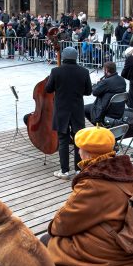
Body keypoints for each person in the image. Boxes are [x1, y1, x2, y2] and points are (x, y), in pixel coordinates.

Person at [41, 126, 133, 266]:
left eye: (80, 149)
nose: (78, 152)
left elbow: (61, 225)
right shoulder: (128, 171)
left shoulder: (92, 183)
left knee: (46, 240)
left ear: (87, 154)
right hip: (130, 238)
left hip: (112, 249)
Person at [45, 46, 92, 179]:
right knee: (78, 140)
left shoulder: (56, 71)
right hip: (77, 110)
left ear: (64, 57)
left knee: (63, 141)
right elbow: (88, 91)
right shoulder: (84, 71)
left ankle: (64, 171)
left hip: (61, 111)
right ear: (76, 57)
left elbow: (48, 89)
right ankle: (78, 170)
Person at [84, 61, 126, 125]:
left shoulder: (106, 82)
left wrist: (98, 83)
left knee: (83, 108)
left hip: (105, 110)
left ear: (106, 70)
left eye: (103, 69)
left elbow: (95, 92)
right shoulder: (122, 80)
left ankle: (95, 124)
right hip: (118, 110)